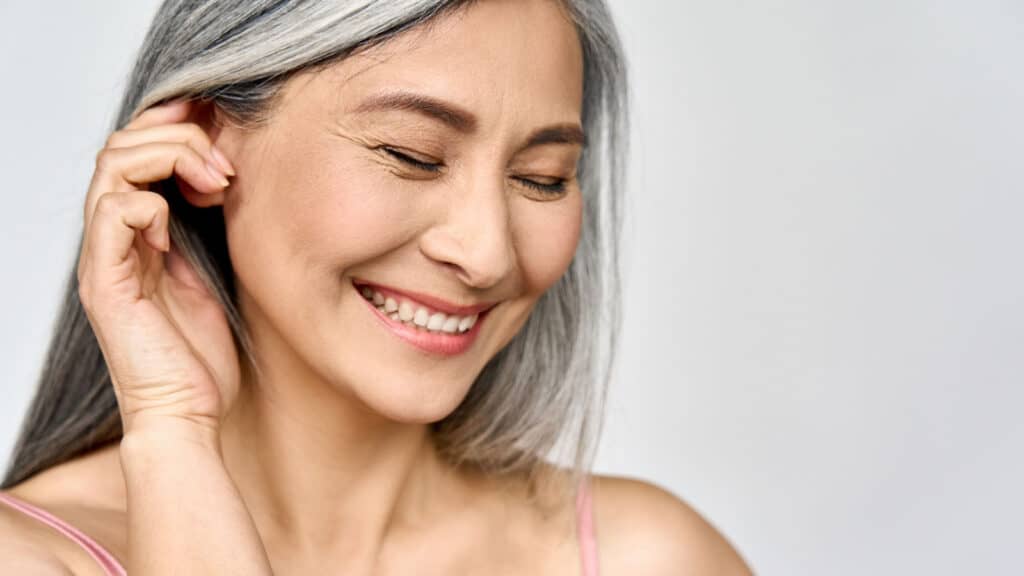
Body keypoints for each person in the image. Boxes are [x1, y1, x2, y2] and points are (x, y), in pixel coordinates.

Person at [0, 0, 752, 573]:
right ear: (204, 139)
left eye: (541, 178)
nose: (486, 253)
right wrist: (172, 433)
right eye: (412, 154)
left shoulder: (645, 558)